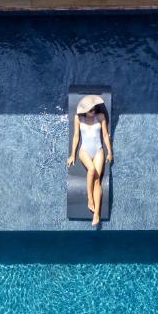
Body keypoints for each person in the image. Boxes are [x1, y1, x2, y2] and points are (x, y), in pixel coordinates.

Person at [66, 95, 113, 226]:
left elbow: (104, 135)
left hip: (98, 151)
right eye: (90, 110)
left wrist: (109, 152)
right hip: (84, 151)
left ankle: (96, 214)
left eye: (94, 109)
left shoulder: (101, 117)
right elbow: (76, 136)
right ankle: (89, 199)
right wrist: (72, 154)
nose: (93, 112)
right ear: (84, 110)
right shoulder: (78, 118)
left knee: (97, 180)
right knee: (91, 169)